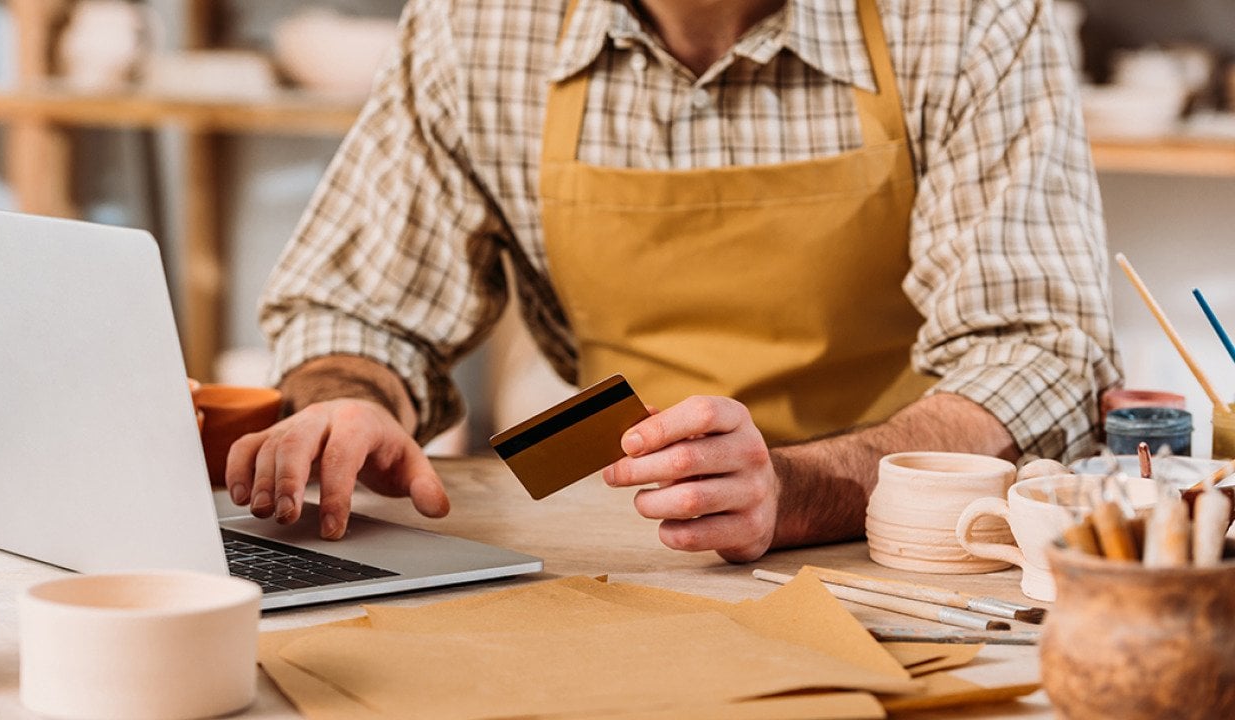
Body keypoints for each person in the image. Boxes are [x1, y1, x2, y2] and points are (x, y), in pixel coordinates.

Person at [225, 0, 1121, 562]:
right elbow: (357, 309)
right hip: (626, 535)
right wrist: (347, 396)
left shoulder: (971, 18)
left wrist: (795, 488)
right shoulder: (478, 23)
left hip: (898, 545)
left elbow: (1037, 352)